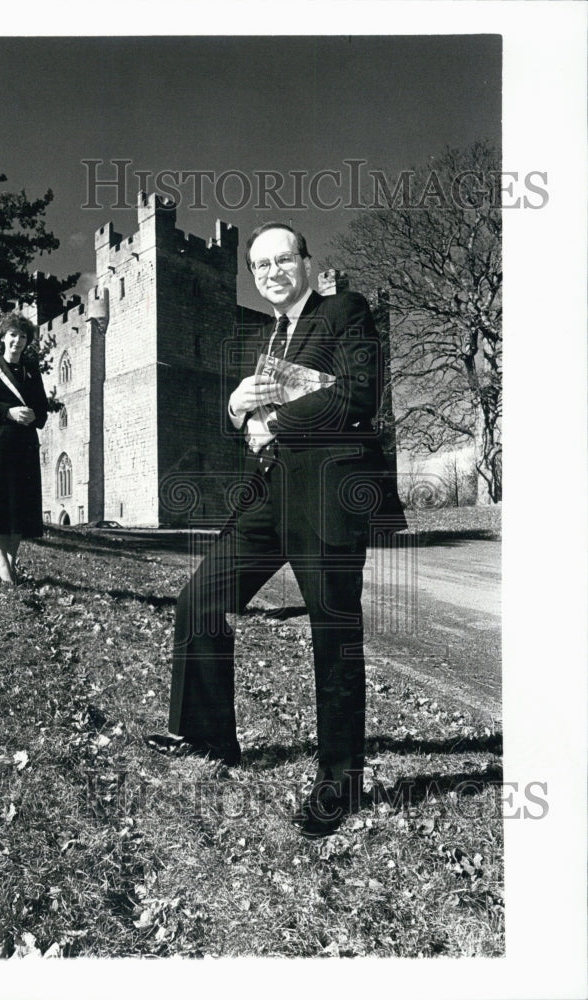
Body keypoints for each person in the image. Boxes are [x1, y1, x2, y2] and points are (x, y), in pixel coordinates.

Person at [147, 222, 406, 837]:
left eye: (282, 260)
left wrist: (277, 420)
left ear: (308, 262)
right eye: (260, 267)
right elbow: (246, 424)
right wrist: (236, 408)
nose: (271, 274)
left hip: (326, 495)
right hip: (269, 496)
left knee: (333, 636)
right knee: (200, 601)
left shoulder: (344, 312)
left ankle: (337, 786)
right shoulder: (264, 340)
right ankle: (208, 738)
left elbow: (358, 397)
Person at [0, 312, 48, 584]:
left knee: (20, 508)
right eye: (13, 335)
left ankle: (10, 565)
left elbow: (42, 411)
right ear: (3, 337)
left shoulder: (31, 371)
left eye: (23, 336)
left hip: (24, 445)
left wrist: (32, 415)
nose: (17, 341)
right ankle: (2, 565)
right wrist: (9, 412)